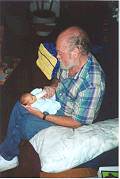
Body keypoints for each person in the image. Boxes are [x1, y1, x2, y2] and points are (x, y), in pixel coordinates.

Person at [0, 26, 105, 172]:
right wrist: (52, 87)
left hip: (69, 119)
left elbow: (77, 122)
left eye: (60, 53)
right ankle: (8, 155)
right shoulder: (69, 61)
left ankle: (8, 155)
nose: (57, 56)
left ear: (75, 52)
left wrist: (43, 116)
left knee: (25, 124)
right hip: (56, 101)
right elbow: (57, 78)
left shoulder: (93, 82)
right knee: (22, 104)